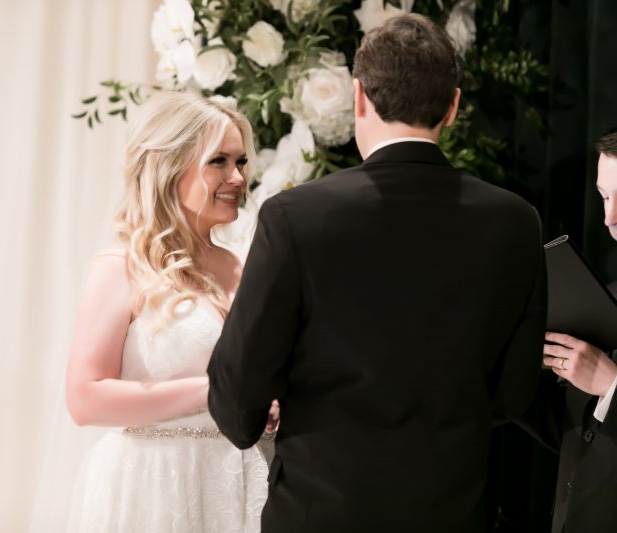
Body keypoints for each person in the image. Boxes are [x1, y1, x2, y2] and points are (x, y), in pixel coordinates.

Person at [207, 14, 547, 533]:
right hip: (453, 513)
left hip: (321, 513)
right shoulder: (516, 222)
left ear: (359, 97)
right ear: (453, 106)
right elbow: (515, 394)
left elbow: (236, 400)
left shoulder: (296, 217)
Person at [62, 91, 269, 532]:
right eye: (218, 161)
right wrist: (215, 391)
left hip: (235, 481)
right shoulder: (121, 268)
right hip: (151, 486)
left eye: (241, 162)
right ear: (170, 167)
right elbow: (85, 398)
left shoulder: (241, 266)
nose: (237, 177)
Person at [525, 129, 617, 533]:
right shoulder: (607, 298)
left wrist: (613, 385)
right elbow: (573, 431)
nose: (609, 217)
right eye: (605, 196)